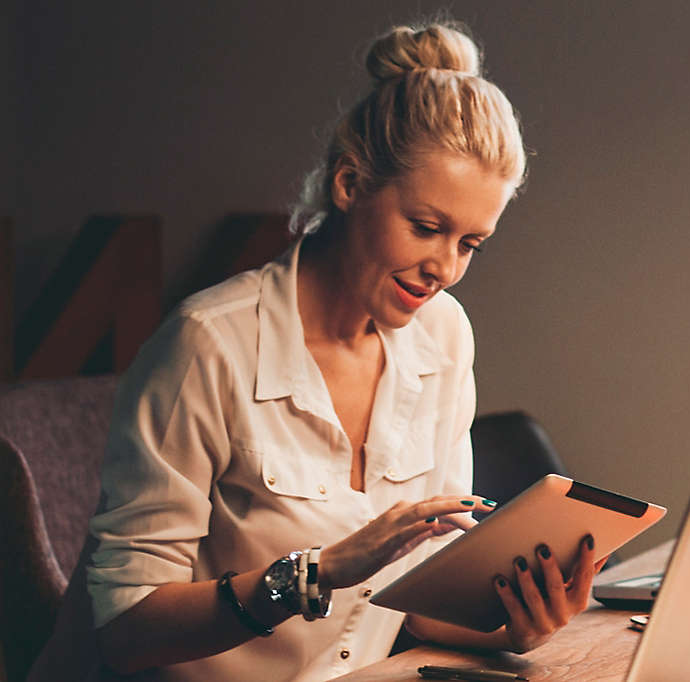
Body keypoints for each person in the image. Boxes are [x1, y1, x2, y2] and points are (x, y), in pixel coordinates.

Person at [28, 21, 601, 682]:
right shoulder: (208, 345)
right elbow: (125, 629)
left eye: (470, 244)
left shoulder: (444, 334)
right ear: (350, 184)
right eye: (426, 228)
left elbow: (412, 598)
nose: (444, 266)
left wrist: (510, 622)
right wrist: (315, 575)